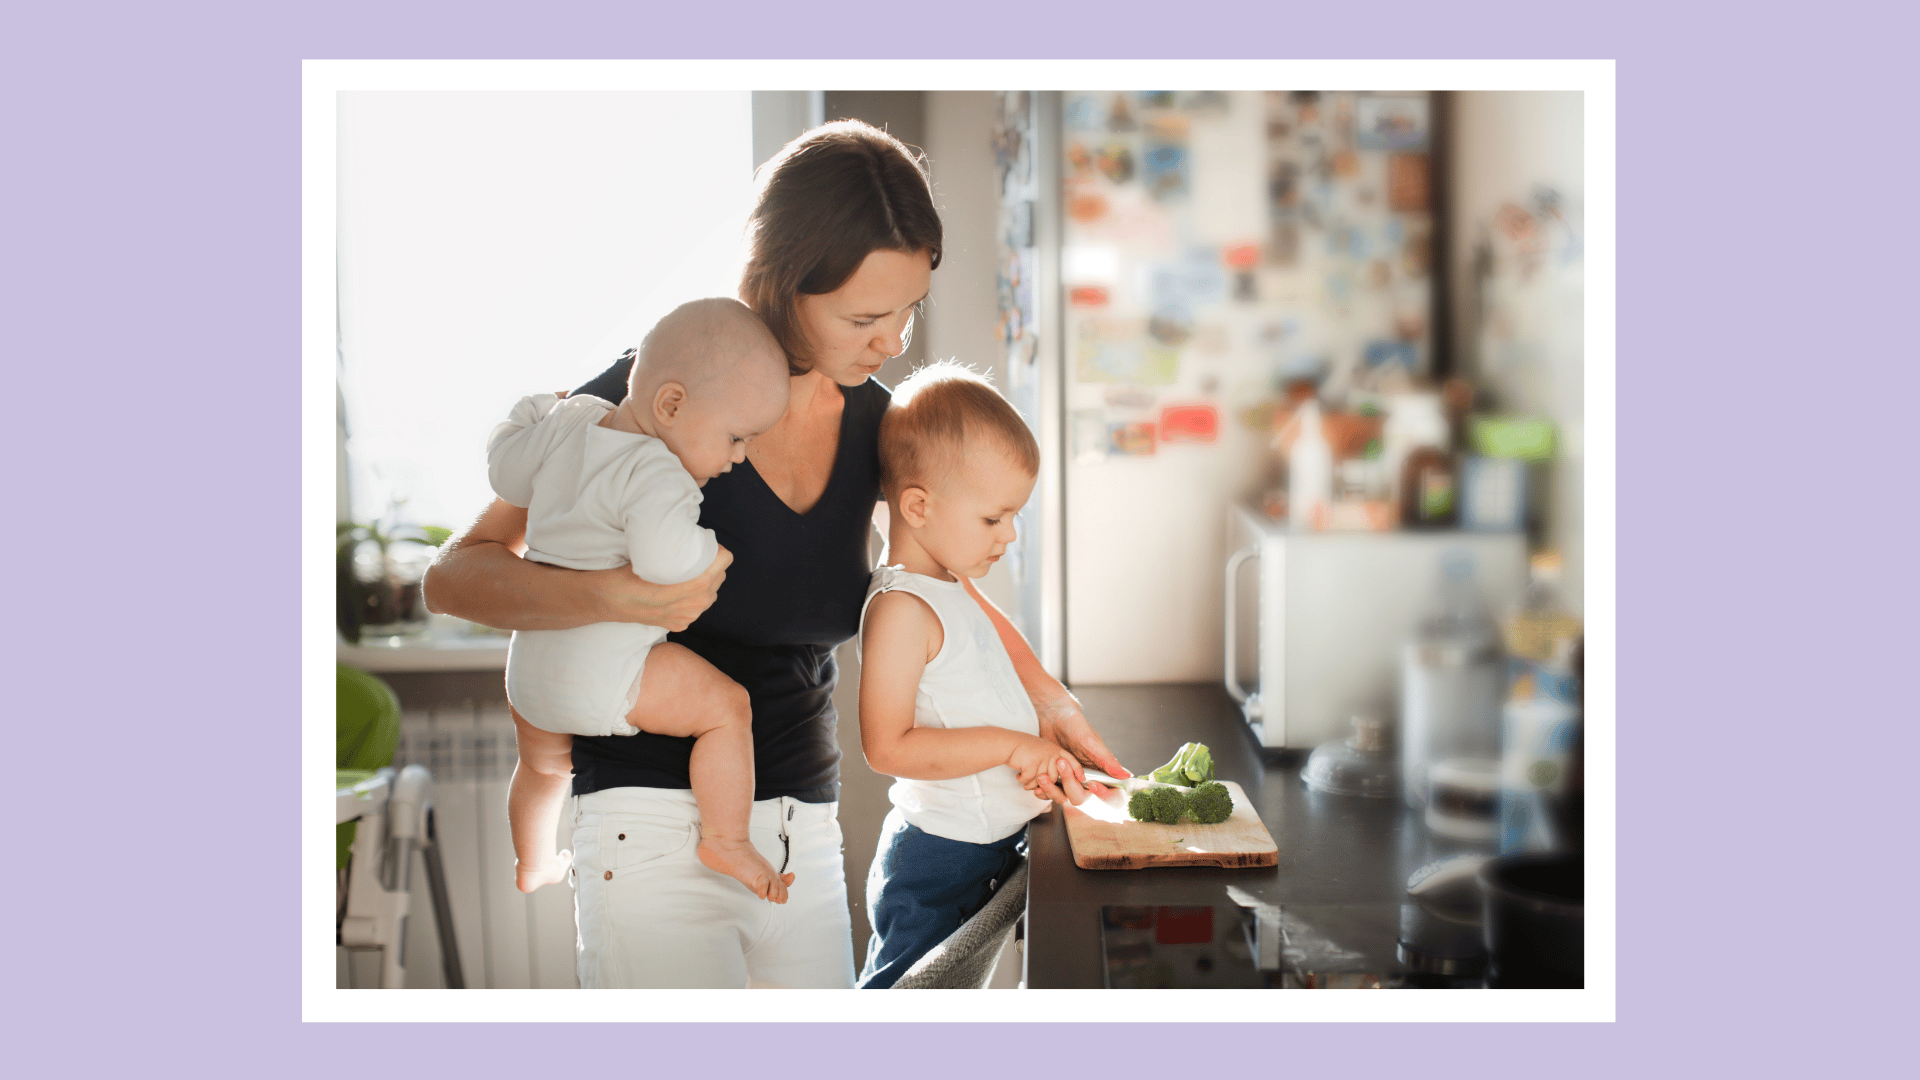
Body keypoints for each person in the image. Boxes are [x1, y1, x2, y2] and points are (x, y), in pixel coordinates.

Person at [423, 119, 1126, 989]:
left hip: (804, 832)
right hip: (648, 827)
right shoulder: (661, 397)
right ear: (783, 284)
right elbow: (457, 574)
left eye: (909, 309)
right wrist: (621, 598)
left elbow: (942, 580)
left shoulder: (879, 426)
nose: (893, 343)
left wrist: (1045, 696)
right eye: (866, 316)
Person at [489, 298, 794, 904]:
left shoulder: (572, 421)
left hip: (530, 675)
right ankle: (727, 839)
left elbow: (506, 473)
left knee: (544, 769)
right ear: (671, 405)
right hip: (608, 675)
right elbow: (665, 560)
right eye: (735, 438)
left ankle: (533, 861)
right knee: (727, 708)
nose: (737, 458)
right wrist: (709, 552)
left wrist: (531, 411)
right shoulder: (658, 470)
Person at [852, 362, 1087, 989]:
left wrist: (1042, 740)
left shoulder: (949, 584)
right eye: (993, 518)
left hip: (980, 847)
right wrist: (1013, 746)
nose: (1010, 534)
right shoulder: (902, 608)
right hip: (937, 861)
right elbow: (887, 746)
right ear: (919, 507)